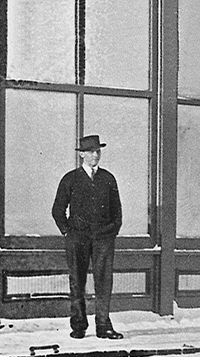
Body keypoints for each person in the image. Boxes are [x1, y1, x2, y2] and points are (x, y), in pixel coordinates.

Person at [51, 134, 123, 340]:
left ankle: (103, 325)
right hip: (77, 238)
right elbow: (58, 210)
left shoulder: (108, 178)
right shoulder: (70, 179)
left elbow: (117, 211)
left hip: (103, 239)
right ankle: (79, 325)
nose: (95, 155)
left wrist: (111, 231)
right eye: (90, 151)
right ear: (81, 154)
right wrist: (68, 231)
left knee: (104, 281)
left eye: (98, 151)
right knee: (77, 281)